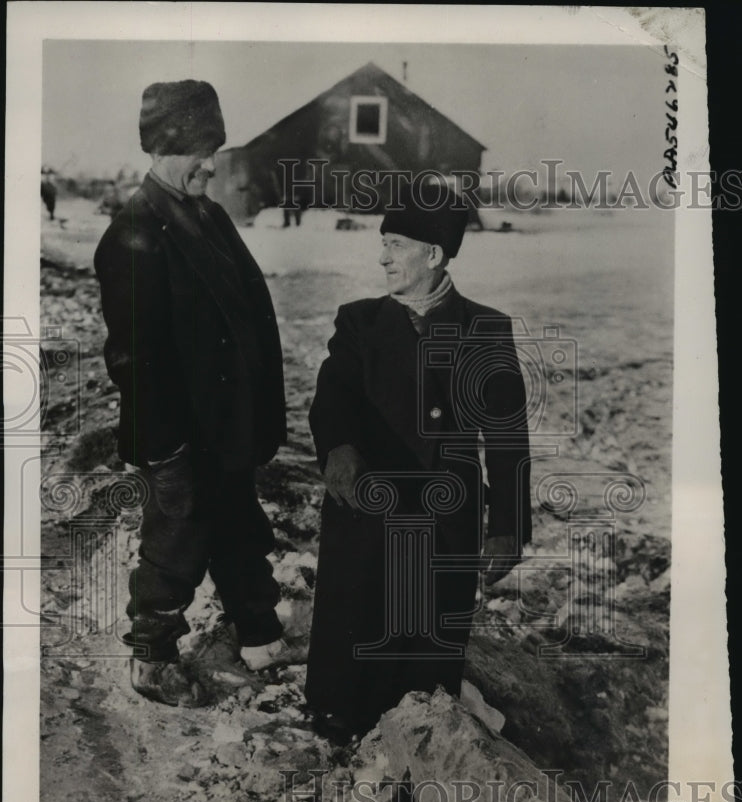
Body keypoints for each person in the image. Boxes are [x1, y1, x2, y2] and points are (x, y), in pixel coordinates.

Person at [305, 182, 532, 741]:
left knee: (426, 654)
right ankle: (340, 724)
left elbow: (506, 438)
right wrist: (338, 447)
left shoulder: (487, 329)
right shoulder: (358, 321)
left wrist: (506, 527)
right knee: (355, 631)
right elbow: (333, 395)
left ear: (433, 254)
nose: (382, 257)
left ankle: (420, 736)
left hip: (444, 517)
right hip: (367, 507)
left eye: (396, 244)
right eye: (382, 243)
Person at [94, 80, 289, 707]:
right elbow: (130, 359)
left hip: (225, 420)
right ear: (163, 146)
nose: (212, 162)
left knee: (239, 524)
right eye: (200, 149)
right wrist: (169, 445)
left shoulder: (208, 215)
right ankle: (151, 659)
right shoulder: (131, 232)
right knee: (176, 540)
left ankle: (259, 632)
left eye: (216, 147)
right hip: (178, 430)